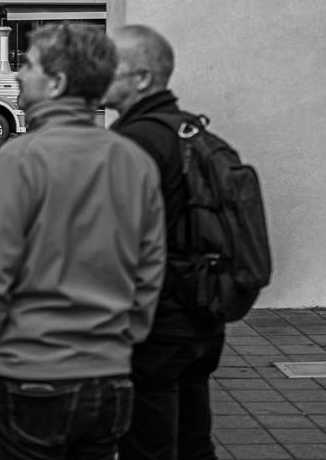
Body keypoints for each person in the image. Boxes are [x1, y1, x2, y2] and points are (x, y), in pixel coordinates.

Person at [0, 22, 165, 460]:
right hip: (109, 380)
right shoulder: (134, 161)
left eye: (28, 65)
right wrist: (121, 342)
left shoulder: (20, 160)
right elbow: (149, 273)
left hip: (31, 375)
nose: (17, 76)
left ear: (57, 82)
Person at [106, 25, 226, 460]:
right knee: (194, 441)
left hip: (154, 323)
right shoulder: (192, 131)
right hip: (201, 314)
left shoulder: (132, 142)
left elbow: (113, 245)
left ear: (141, 78)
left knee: (147, 446)